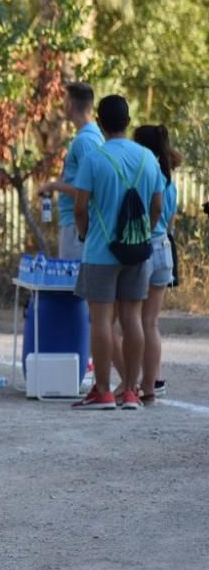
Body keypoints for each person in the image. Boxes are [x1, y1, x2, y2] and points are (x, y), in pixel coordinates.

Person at [71, 95, 163, 410]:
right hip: (138, 250)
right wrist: (143, 233)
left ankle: (103, 390)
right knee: (132, 318)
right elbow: (157, 206)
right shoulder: (148, 158)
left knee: (101, 319)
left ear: (100, 121)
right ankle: (131, 392)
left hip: (100, 251)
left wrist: (84, 233)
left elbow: (80, 206)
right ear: (128, 120)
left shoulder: (93, 159)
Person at [130, 125, 180, 403]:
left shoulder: (145, 176)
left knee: (132, 320)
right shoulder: (170, 181)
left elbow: (155, 210)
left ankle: (131, 382)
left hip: (145, 245)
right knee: (151, 322)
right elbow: (170, 219)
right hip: (164, 247)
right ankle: (150, 385)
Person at [38, 82, 104, 259]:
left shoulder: (85, 141)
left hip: (78, 226)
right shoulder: (89, 136)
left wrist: (53, 186)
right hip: (75, 223)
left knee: (71, 285)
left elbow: (89, 189)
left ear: (70, 105)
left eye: (64, 100)